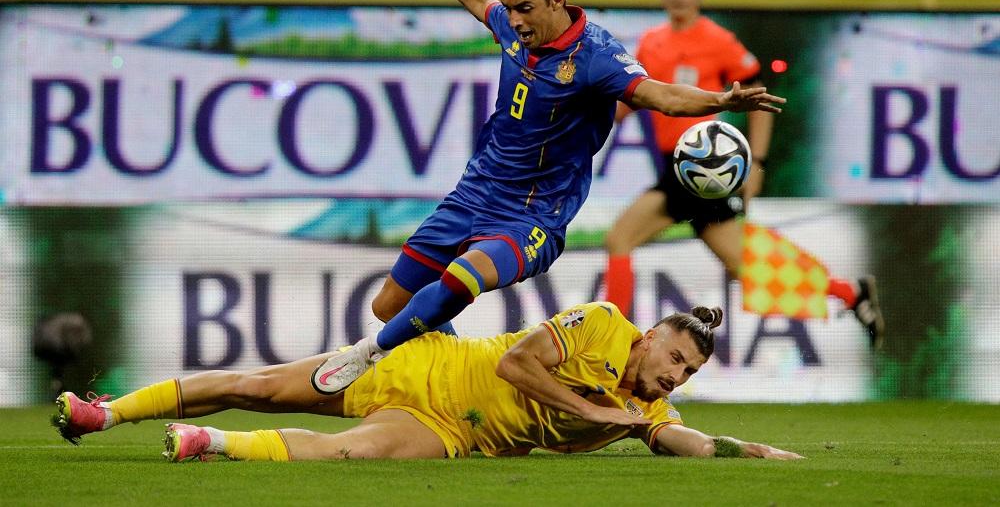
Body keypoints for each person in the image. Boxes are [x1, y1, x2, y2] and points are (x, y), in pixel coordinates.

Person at [309, 0, 786, 398]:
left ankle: (367, 353)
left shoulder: (596, 57)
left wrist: (720, 102)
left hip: (533, 214)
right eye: (510, 8)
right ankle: (455, 375)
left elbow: (659, 95)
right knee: (390, 305)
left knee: (463, 277)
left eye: (525, 8)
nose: (513, 20)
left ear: (557, 0)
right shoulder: (516, 30)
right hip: (474, 193)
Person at [53, 302, 803, 461]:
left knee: (348, 455)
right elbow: (517, 363)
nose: (674, 374)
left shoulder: (649, 408)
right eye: (675, 357)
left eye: (688, 371)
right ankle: (103, 414)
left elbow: (683, 440)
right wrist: (598, 413)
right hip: (425, 363)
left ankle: (204, 442)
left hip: (449, 431)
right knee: (258, 385)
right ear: (652, 335)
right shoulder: (603, 324)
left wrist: (754, 454)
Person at [601, 0, 883, 347]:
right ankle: (850, 293)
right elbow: (633, 101)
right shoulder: (651, 42)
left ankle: (610, 342)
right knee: (744, 267)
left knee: (621, 239)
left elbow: (758, 97)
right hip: (676, 169)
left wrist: (757, 163)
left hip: (705, 167)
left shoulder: (718, 41)